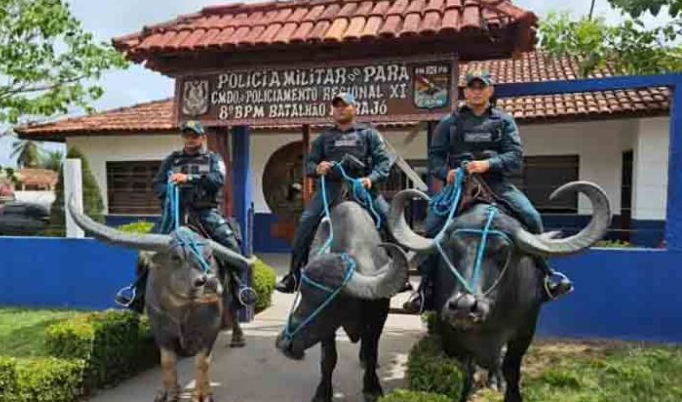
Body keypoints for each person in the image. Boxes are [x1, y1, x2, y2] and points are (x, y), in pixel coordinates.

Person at [403, 70, 573, 313]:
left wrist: (488, 165)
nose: (476, 91)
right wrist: (446, 172)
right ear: (464, 92)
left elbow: (515, 157)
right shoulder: (450, 123)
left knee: (532, 217)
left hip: (497, 185)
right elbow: (435, 158)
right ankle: (425, 289)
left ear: (490, 90)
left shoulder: (504, 121)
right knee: (432, 226)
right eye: (471, 87)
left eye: (481, 87)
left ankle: (546, 277)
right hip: (459, 186)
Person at [115, 120, 256, 312]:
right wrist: (169, 188)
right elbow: (157, 185)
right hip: (175, 214)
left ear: (202, 138)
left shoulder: (214, 159)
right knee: (145, 251)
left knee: (231, 245)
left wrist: (188, 179)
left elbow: (218, 180)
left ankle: (240, 289)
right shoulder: (172, 160)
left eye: (194, 135)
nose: (190, 139)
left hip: (205, 213)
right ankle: (137, 294)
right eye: (187, 135)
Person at [275, 92, 394, 293]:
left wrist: (370, 179)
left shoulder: (369, 134)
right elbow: (309, 166)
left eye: (344, 105)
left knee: (389, 218)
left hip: (361, 185)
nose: (339, 109)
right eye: (336, 106)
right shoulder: (324, 138)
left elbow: (383, 163)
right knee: (306, 220)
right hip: (331, 187)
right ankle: (293, 275)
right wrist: (317, 168)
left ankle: (397, 272)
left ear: (354, 108)